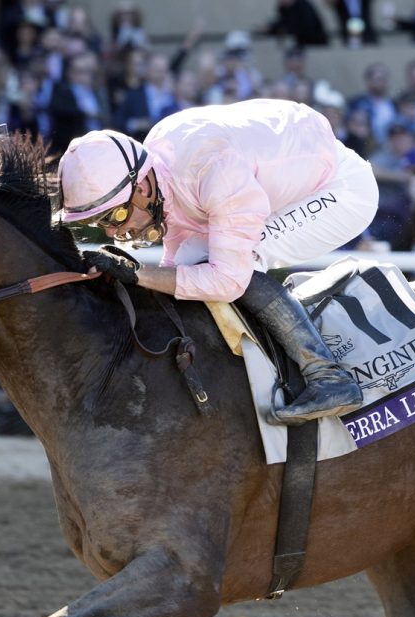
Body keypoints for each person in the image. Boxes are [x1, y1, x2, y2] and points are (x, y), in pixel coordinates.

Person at [57, 98, 379, 425]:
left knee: (235, 263)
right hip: (282, 166)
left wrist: (139, 274)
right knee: (191, 264)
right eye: (101, 223)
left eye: (118, 214)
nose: (115, 231)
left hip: (341, 189)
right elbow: (176, 268)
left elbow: (228, 280)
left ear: (142, 187)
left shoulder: (212, 172)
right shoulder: (161, 170)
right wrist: (144, 277)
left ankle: (328, 377)